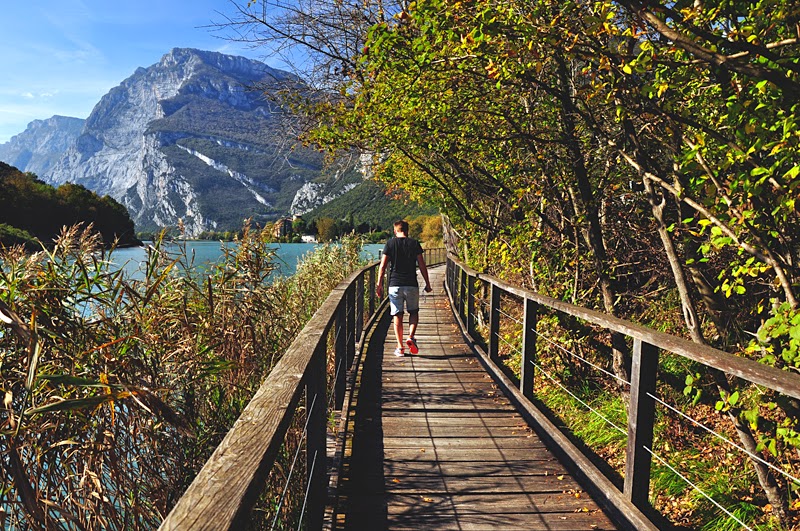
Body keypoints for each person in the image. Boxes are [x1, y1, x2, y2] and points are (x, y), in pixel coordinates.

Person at [376, 220, 433, 357]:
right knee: (413, 312)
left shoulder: (390, 244)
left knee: (397, 315)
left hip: (394, 285)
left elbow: (383, 266)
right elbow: (422, 264)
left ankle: (400, 347)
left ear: (395, 231)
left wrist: (379, 284)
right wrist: (427, 283)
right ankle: (411, 337)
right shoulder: (414, 243)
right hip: (411, 284)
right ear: (407, 231)